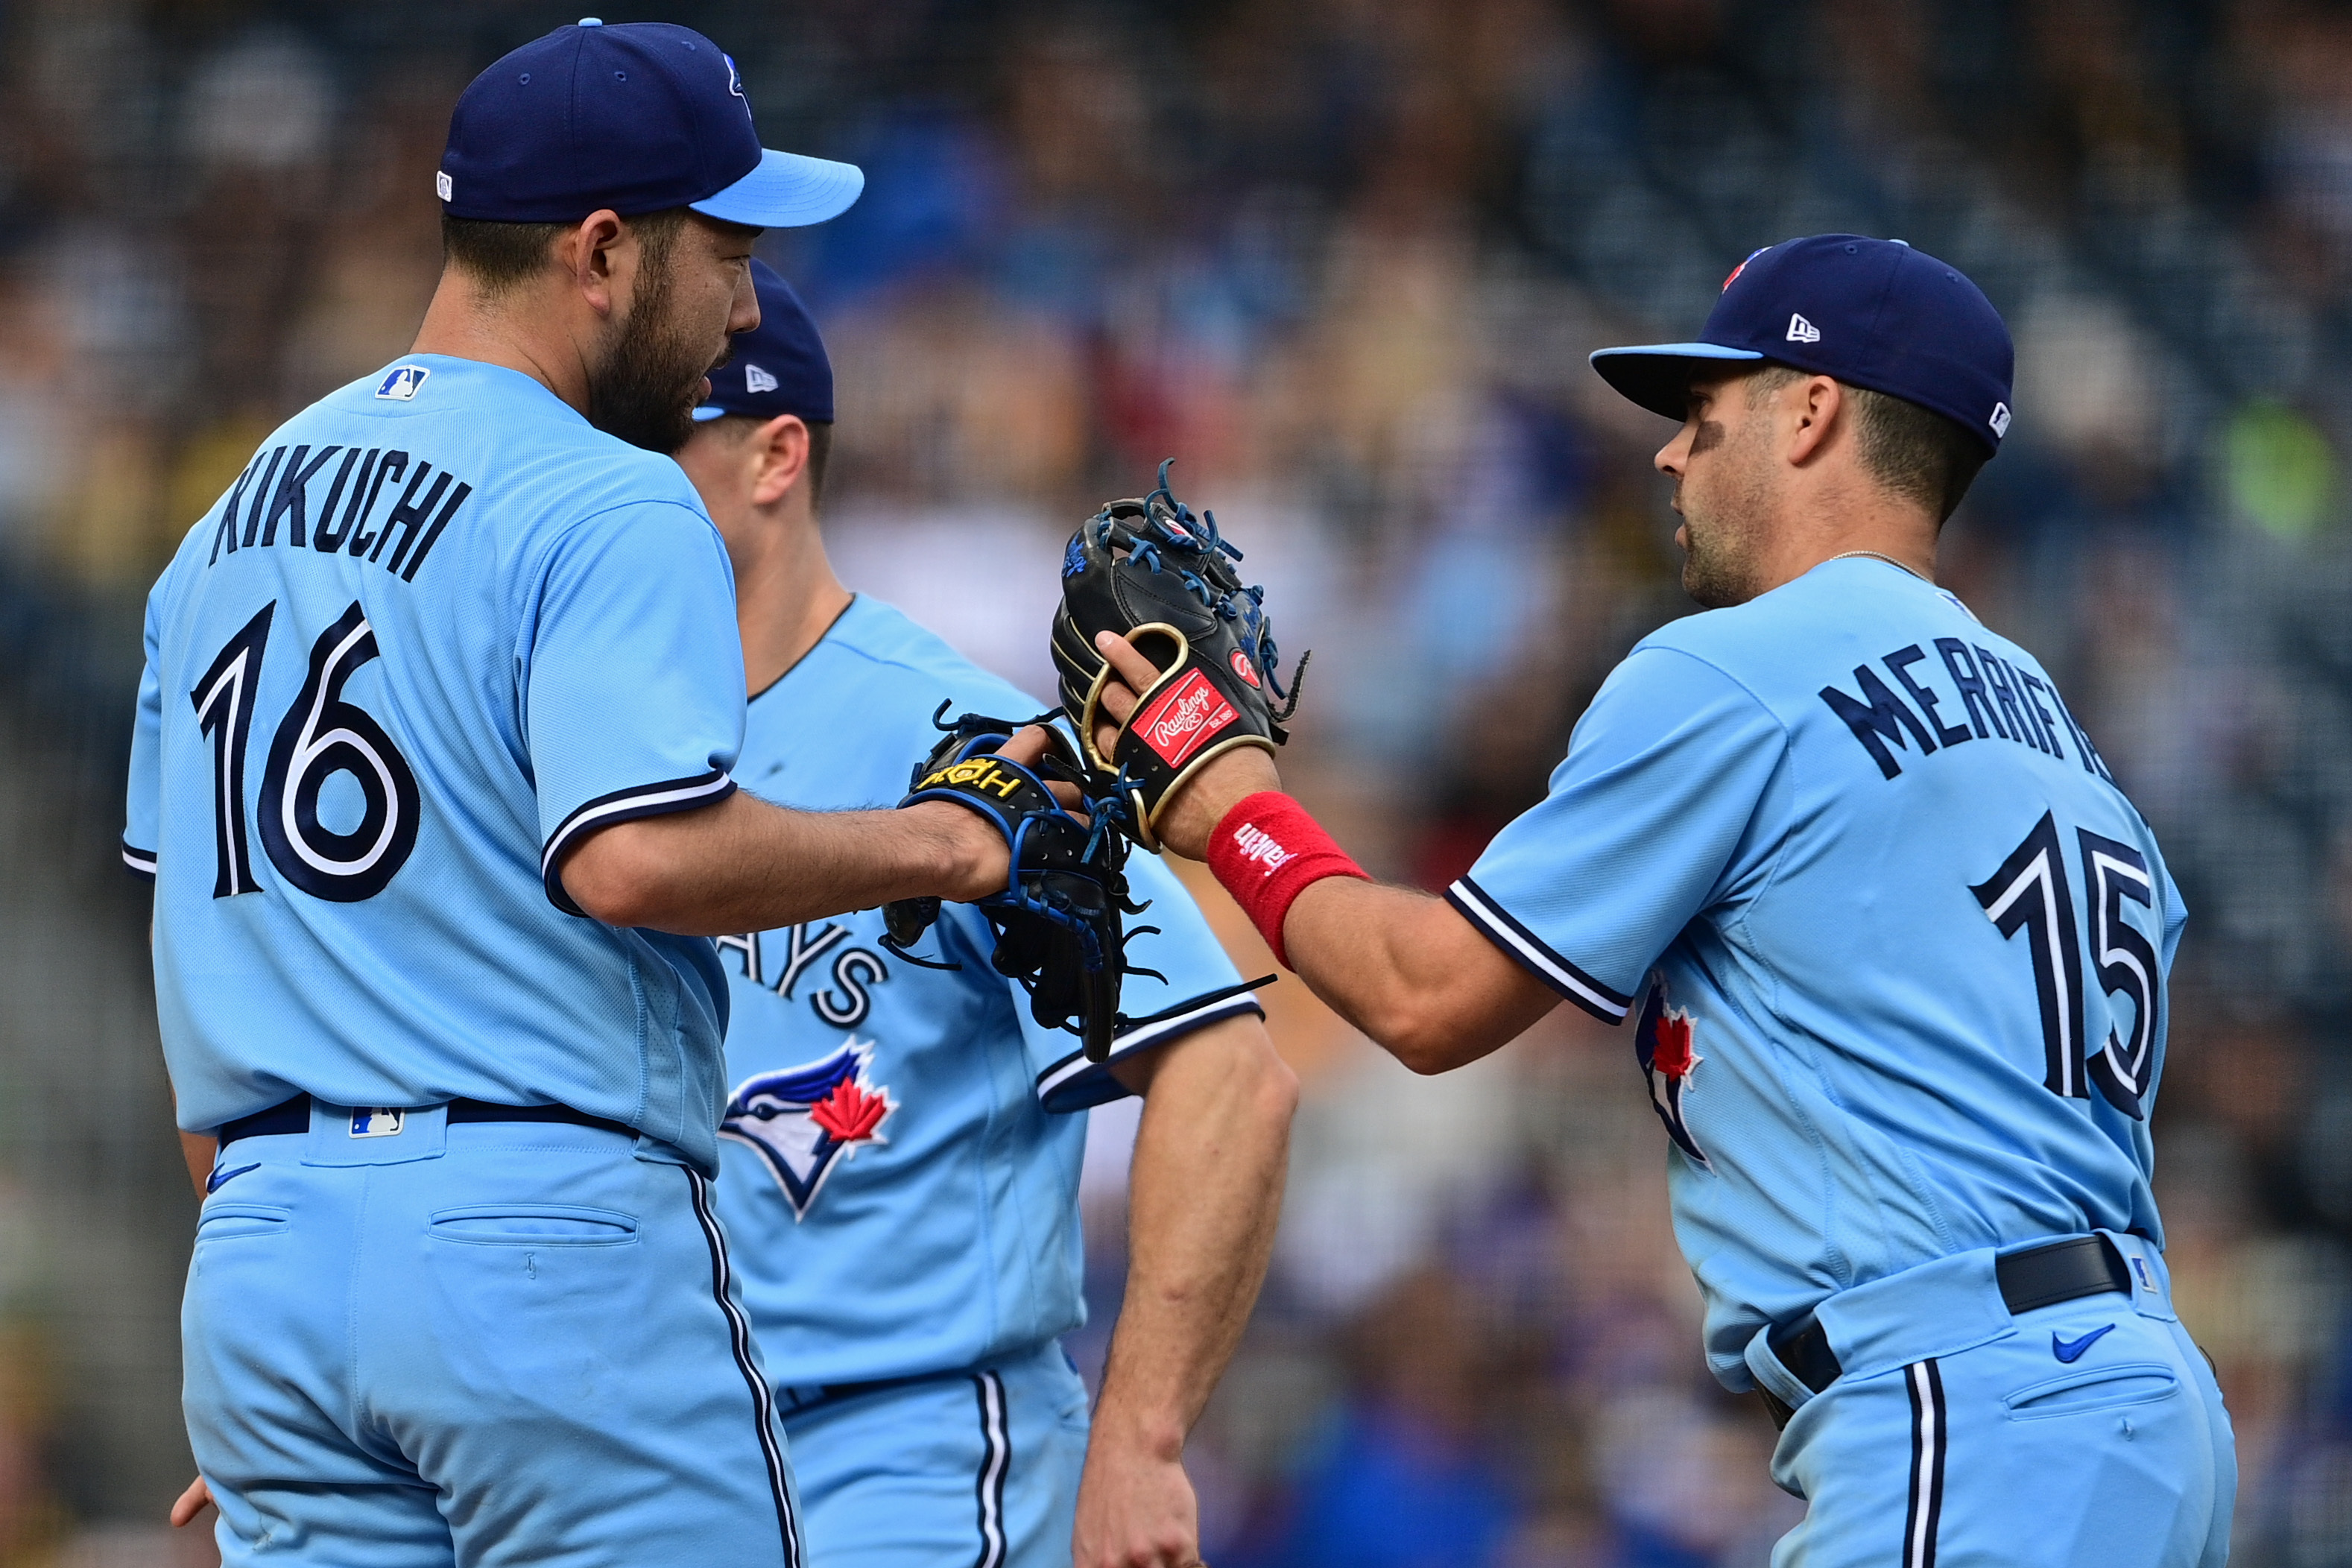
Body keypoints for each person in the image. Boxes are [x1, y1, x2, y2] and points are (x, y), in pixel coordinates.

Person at [1084, 235, 2235, 1567]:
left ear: (1811, 412)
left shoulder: (1742, 667)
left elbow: (1427, 997)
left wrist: (1230, 805)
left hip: (1969, 1412)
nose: (1668, 457)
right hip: (2142, 1410)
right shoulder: (2062, 737)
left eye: (1704, 415)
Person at [133, 22, 1048, 1567]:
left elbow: (197, 933)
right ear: (605, 251)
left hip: (265, 1254)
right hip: (538, 1234)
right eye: (729, 252)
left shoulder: (232, 512)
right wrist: (950, 839)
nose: (748, 305)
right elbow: (633, 858)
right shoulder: (603, 488)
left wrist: (317, 1316)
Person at [669, 261, 1297, 1568]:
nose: (604, 482)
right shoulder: (582, 749)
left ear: (775, 454)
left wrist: (1143, 1444)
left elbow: (1228, 1075)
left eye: (653, 442)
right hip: (651, 1463)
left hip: (908, 1449)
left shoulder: (959, 734)